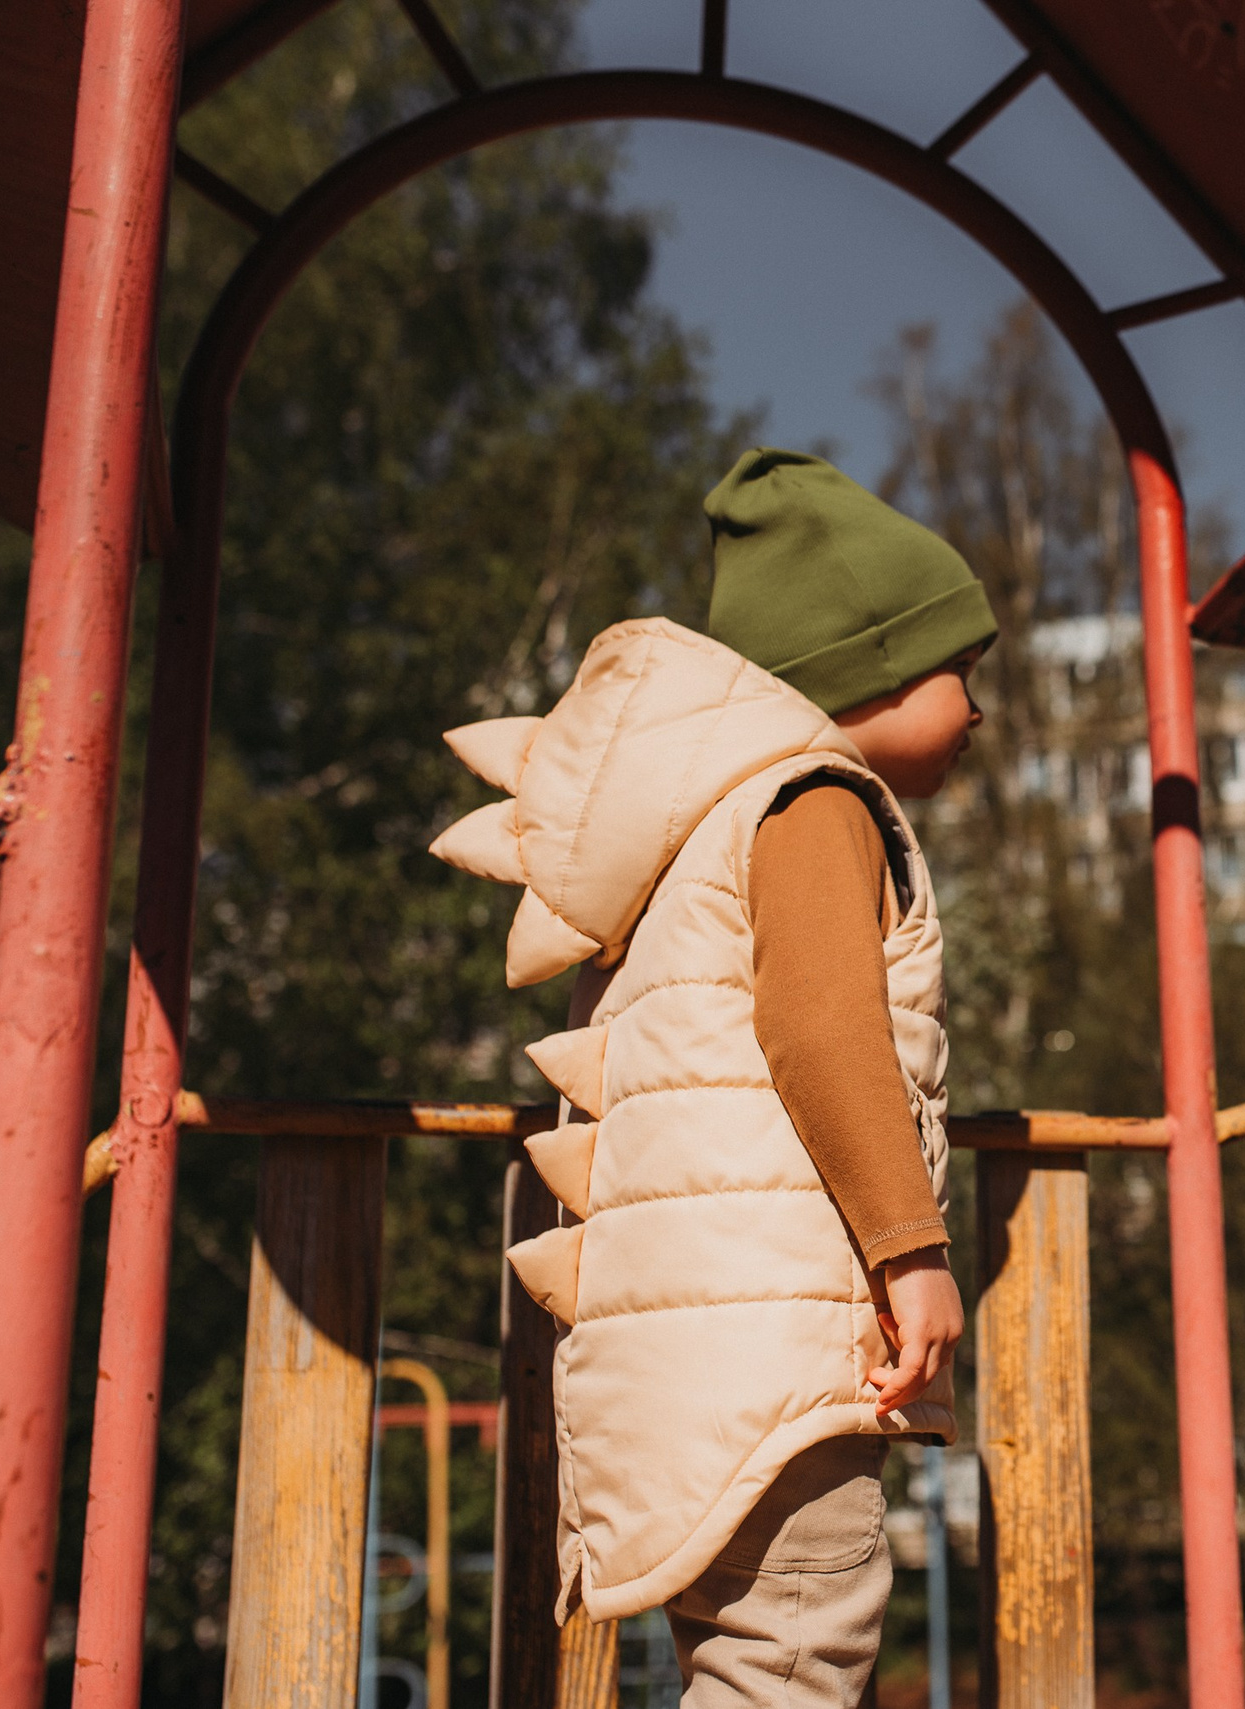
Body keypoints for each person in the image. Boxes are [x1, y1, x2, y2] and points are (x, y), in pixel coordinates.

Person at [429, 447, 995, 1706]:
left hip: (691, 1350)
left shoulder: (694, 838)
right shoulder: (813, 799)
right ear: (873, 666)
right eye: (967, 668)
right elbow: (820, 1028)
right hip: (775, 1352)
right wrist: (913, 1249)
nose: (980, 705)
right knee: (796, 1658)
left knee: (744, 1662)